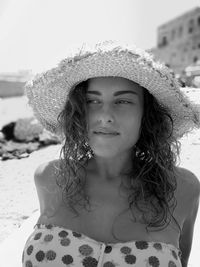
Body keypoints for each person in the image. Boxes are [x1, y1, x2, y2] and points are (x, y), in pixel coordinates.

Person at [22, 41, 200, 267]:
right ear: (78, 111)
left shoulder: (182, 188)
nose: (104, 115)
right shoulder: (49, 177)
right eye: (92, 101)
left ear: (147, 115)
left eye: (123, 101)